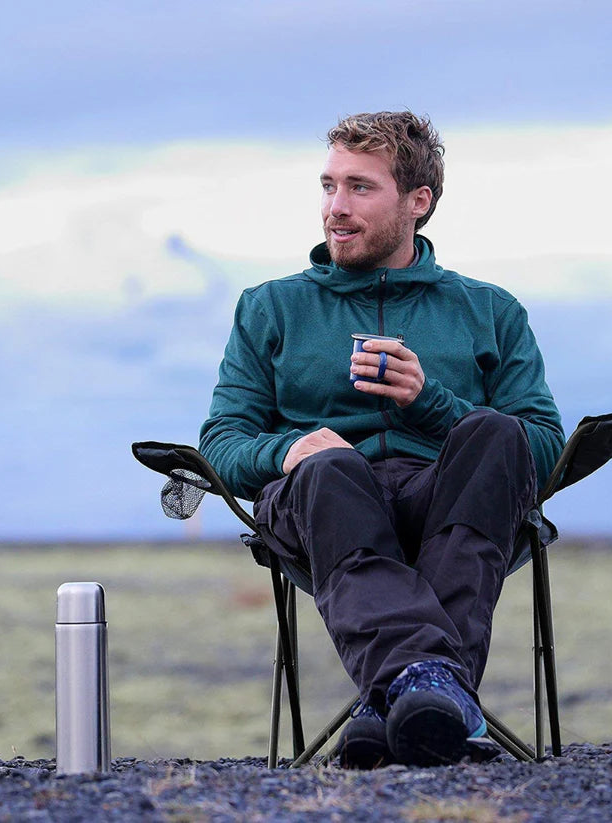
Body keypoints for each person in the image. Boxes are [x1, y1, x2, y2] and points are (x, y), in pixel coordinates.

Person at [199, 111, 565, 769]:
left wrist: (429, 404)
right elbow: (221, 442)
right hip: (321, 508)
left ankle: (392, 698)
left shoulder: (490, 311)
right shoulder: (270, 307)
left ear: (417, 201)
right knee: (332, 468)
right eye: (328, 185)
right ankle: (430, 686)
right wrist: (286, 451)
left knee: (493, 429)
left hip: (447, 509)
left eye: (359, 187)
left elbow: (539, 447)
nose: (335, 207)